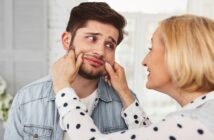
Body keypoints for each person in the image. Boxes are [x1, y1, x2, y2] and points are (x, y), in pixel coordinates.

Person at [52, 14, 214, 140]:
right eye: (92, 38)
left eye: (151, 49)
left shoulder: (195, 122)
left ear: (178, 55)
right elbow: (152, 135)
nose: (144, 61)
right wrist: (124, 92)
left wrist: (62, 86)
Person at [4, 2, 150, 140]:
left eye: (109, 45)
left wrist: (125, 93)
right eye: (92, 38)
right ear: (67, 41)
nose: (100, 51)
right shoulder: (27, 99)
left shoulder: (127, 104)